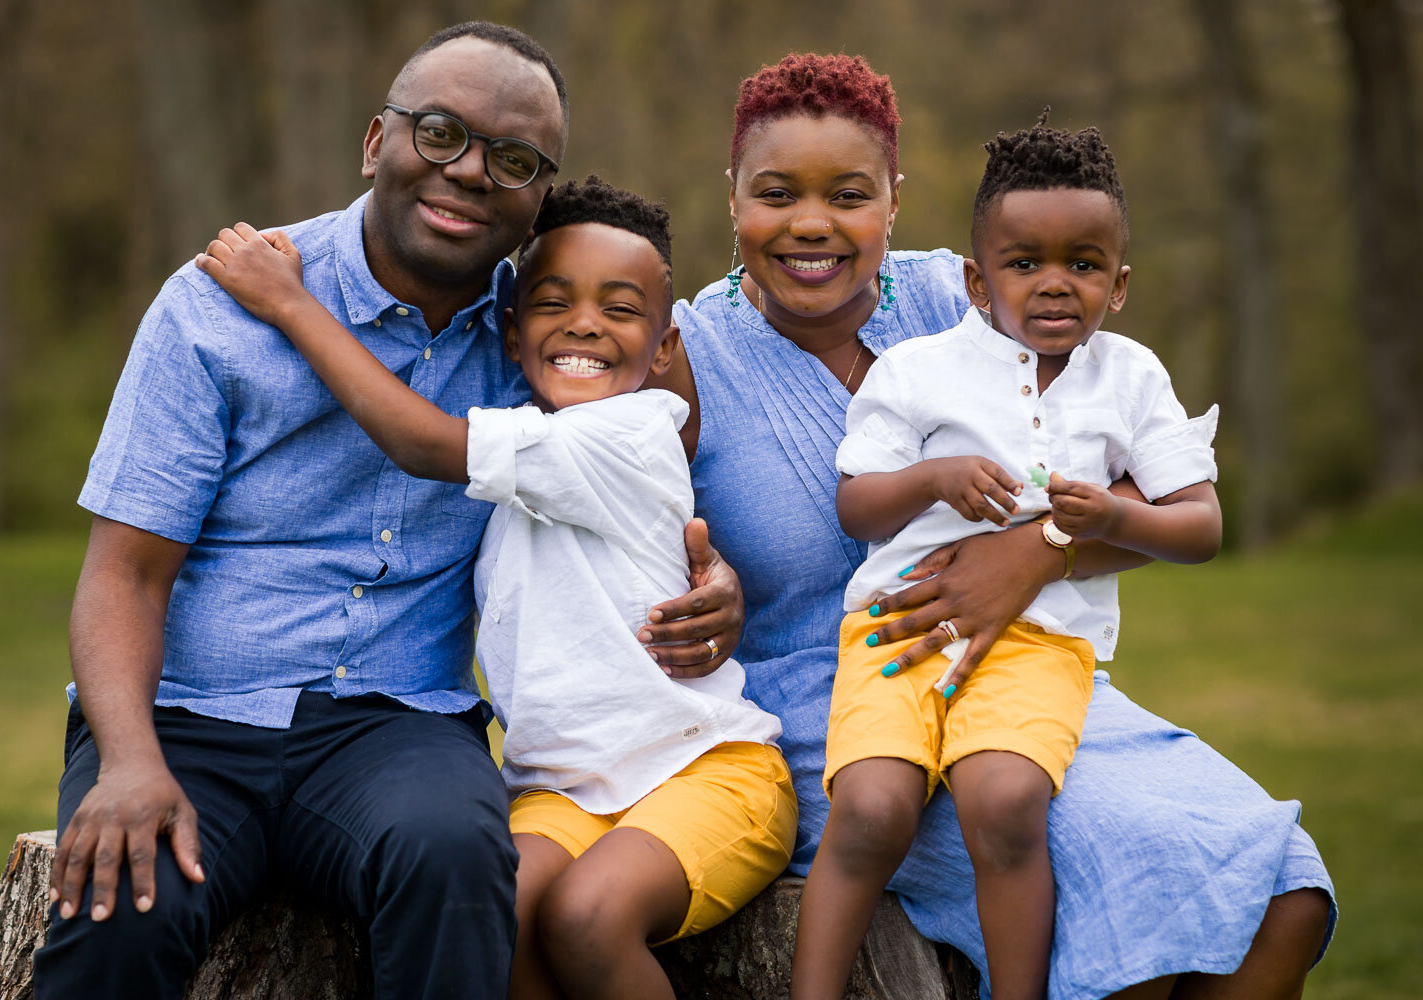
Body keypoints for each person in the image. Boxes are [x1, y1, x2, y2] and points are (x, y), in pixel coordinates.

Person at [36, 24, 742, 1000]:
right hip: (188, 714)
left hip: (394, 722)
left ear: (539, 193)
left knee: (455, 859)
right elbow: (124, 570)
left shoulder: (540, 326)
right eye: (441, 134)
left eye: (513, 159)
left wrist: (710, 573)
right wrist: (125, 760)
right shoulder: (216, 310)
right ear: (378, 141)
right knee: (120, 900)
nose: (468, 173)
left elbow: (669, 433)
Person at [651, 53, 1334, 1000]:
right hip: (840, 710)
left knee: (1281, 888)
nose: (812, 224)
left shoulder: (964, 294)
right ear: (732, 199)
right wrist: (711, 587)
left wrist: (1038, 553)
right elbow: (628, 536)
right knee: (1126, 890)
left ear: (895, 198)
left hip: (1036, 671)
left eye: (850, 194)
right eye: (775, 194)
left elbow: (1147, 487)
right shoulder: (689, 352)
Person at [195, 176, 797, 1000]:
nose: (584, 323)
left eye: (620, 310)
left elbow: (419, 440)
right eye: (555, 303)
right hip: (561, 790)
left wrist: (294, 306)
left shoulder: (621, 432)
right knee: (493, 916)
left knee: (588, 917)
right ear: (512, 336)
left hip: (708, 769)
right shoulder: (537, 444)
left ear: (665, 347)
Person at [795, 114, 1223, 1000]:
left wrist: (1110, 515)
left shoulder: (1131, 377)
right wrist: (933, 478)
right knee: (873, 808)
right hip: (896, 627)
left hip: (1039, 645)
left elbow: (1200, 524)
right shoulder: (916, 370)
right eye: (1024, 263)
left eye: (1084, 264)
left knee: (1005, 802)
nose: (1055, 285)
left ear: (1121, 282)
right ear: (975, 280)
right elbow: (856, 504)